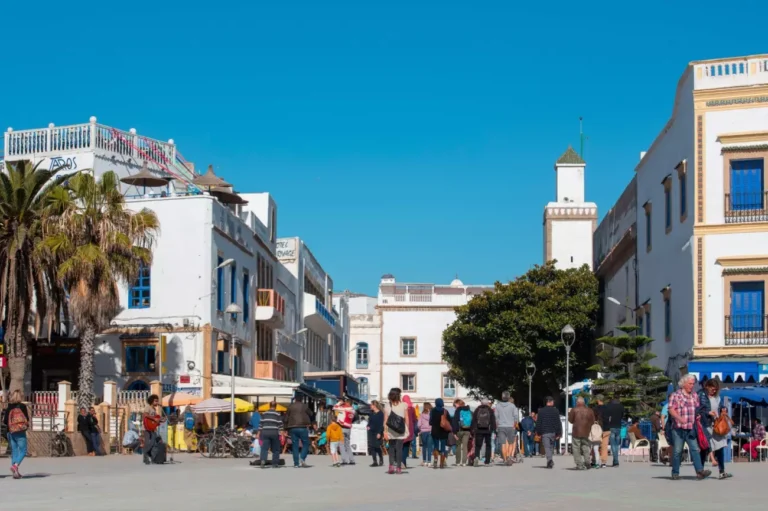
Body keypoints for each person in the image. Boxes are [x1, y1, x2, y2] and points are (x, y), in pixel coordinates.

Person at [668, 374, 711, 480]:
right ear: (683, 384)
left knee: (695, 449)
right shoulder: (675, 395)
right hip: (678, 428)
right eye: (690, 384)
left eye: (693, 384)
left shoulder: (695, 396)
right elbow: (671, 409)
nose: (692, 386)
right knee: (678, 451)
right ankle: (675, 472)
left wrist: (698, 415)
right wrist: (679, 417)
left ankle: (700, 471)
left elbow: (697, 409)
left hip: (691, 428)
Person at [697, 378, 732, 478]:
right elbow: (698, 409)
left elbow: (720, 406)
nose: (714, 391)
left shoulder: (717, 397)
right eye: (713, 389)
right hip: (705, 424)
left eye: (716, 389)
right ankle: (701, 471)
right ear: (707, 386)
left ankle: (722, 471)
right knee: (705, 448)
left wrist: (723, 409)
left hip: (716, 424)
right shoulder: (700, 395)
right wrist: (708, 413)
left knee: (720, 447)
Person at [3, 390, 30, 479]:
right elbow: (27, 419)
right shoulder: (22, 406)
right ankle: (15, 466)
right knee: (23, 450)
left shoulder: (9, 407)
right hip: (20, 431)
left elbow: (5, 421)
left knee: (14, 451)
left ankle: (15, 473)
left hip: (10, 431)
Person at [384, 388, 409, 474]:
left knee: (391, 449)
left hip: (391, 430)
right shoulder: (404, 405)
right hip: (401, 430)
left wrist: (385, 432)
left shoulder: (388, 406)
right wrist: (407, 429)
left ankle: (391, 466)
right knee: (399, 449)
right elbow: (406, 418)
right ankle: (398, 468)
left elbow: (385, 420)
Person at [568, 396, 595, 470]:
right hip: (586, 431)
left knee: (576, 448)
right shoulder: (590, 410)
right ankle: (587, 462)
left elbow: (570, 420)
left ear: (577, 402)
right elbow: (593, 421)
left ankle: (579, 464)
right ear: (584, 402)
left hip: (576, 431)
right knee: (586, 446)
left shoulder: (574, 410)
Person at [535, 396, 562, 469]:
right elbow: (558, 422)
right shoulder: (555, 411)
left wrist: (538, 432)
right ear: (549, 402)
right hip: (553, 432)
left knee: (547, 447)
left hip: (545, 432)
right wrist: (559, 433)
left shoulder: (541, 411)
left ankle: (549, 460)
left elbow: (539, 422)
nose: (553, 402)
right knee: (551, 447)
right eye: (553, 401)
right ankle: (550, 460)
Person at [286, 394, 312, 468]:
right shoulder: (304, 406)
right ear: (302, 399)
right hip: (303, 426)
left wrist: (285, 428)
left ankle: (296, 463)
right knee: (306, 443)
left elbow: (286, 417)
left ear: (295, 399)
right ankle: (302, 458)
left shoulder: (290, 406)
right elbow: (311, 413)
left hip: (292, 427)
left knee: (295, 445)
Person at [599, 395, 624, 468]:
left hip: (611, 427)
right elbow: (622, 415)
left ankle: (616, 461)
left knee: (613, 445)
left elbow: (606, 416)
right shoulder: (621, 406)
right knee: (617, 444)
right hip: (619, 427)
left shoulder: (608, 406)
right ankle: (615, 461)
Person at [495, 391, 519, 465]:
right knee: (511, 442)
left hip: (501, 426)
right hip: (510, 426)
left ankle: (505, 459)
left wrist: (498, 424)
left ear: (502, 397)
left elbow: (496, 416)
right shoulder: (512, 406)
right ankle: (509, 457)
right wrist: (514, 425)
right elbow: (516, 416)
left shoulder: (498, 406)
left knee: (503, 443)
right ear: (508, 397)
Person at [258, 401, 284, 468]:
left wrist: (258, 433)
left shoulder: (264, 413)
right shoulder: (277, 414)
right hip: (274, 432)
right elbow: (280, 425)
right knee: (276, 449)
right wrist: (282, 434)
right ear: (276, 406)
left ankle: (263, 460)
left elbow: (260, 424)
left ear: (269, 406)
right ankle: (275, 463)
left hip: (265, 432)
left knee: (264, 448)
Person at [472, 398, 496, 466]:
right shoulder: (490, 410)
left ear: (481, 403)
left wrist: (473, 429)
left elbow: (474, 420)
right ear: (487, 403)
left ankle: (476, 457)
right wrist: (493, 429)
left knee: (478, 445)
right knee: (488, 445)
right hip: (488, 430)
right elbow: (493, 420)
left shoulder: (477, 409)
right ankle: (487, 461)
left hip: (479, 430)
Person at [142, 394, 164, 465]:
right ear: (151, 401)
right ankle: (145, 456)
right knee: (149, 443)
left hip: (152, 428)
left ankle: (152, 458)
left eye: (157, 401)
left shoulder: (154, 409)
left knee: (154, 443)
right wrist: (154, 418)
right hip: (146, 428)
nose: (157, 402)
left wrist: (160, 420)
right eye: (155, 401)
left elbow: (154, 420)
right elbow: (145, 415)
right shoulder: (148, 407)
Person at [333, 397, 355, 466]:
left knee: (341, 445)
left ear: (347, 403)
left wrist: (340, 402)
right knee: (347, 444)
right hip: (348, 428)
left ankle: (344, 460)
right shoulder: (353, 410)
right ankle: (352, 460)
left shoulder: (344, 409)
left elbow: (334, 407)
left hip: (342, 428)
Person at [429, 398, 450, 469]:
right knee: (443, 447)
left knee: (436, 446)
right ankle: (441, 463)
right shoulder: (445, 411)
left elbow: (430, 422)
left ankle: (435, 459)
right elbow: (449, 420)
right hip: (444, 431)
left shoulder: (433, 411)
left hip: (435, 431)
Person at [452, 399, 472, 466]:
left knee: (458, 446)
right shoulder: (468, 410)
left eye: (455, 405)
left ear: (458, 404)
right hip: (467, 430)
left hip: (459, 430)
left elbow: (454, 421)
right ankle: (464, 462)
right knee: (465, 446)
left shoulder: (458, 410)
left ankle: (458, 462)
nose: (454, 406)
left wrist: (454, 432)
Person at [367, 400, 385, 467]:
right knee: (372, 447)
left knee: (377, 446)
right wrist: (368, 426)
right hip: (371, 431)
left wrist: (380, 433)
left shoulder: (381, 414)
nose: (370, 406)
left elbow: (381, 424)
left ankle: (381, 459)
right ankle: (375, 461)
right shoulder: (371, 413)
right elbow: (370, 421)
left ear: (374, 405)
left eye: (371, 405)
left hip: (377, 432)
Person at [401, 395, 417, 469]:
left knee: (400, 446)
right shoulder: (412, 409)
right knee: (406, 446)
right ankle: (403, 462)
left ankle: (401, 462)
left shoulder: (401, 407)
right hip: (409, 429)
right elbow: (414, 419)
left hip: (401, 429)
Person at [417, 402, 434, 467]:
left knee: (424, 447)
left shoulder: (421, 414)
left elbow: (418, 424)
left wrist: (421, 429)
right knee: (429, 447)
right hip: (430, 431)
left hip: (423, 432)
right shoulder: (431, 415)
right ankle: (429, 462)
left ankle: (424, 461)